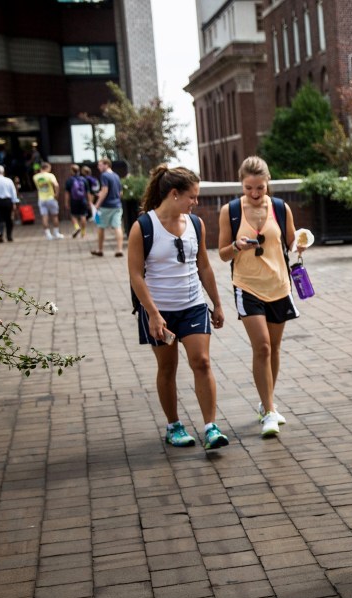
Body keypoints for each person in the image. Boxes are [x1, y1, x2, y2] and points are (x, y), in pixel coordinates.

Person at [127, 164, 229, 451]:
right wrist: (153, 314)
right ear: (174, 194)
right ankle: (173, 425)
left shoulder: (195, 224)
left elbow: (204, 266)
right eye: (192, 197)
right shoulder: (143, 227)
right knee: (168, 367)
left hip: (193, 305)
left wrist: (217, 303)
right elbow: (135, 274)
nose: (196, 202)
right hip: (160, 311)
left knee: (202, 362)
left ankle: (210, 427)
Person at [217, 156, 301, 439]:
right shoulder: (230, 210)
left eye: (260, 188)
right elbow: (221, 254)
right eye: (249, 188)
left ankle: (267, 401)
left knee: (274, 348)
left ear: (268, 184)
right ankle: (269, 410)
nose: (254, 194)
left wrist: (302, 241)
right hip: (247, 286)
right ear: (242, 184)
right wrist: (236, 246)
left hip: (278, 285)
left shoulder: (280, 208)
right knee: (262, 347)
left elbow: (291, 242)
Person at [92, 157, 125, 257]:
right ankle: (119, 250)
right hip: (117, 205)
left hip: (106, 206)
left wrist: (97, 204)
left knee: (101, 227)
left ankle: (100, 250)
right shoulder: (116, 176)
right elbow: (120, 193)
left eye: (100, 164)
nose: (98, 167)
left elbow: (105, 191)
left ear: (106, 165)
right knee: (117, 227)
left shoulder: (104, 175)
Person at [33, 162, 63, 240]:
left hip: (41, 199)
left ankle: (48, 235)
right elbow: (56, 185)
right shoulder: (50, 175)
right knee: (55, 216)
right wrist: (56, 194)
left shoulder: (35, 177)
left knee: (44, 217)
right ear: (47, 168)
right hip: (50, 198)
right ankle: (56, 233)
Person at [64, 164, 91, 238]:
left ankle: (76, 227)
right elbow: (88, 192)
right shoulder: (84, 179)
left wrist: (66, 202)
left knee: (73, 215)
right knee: (83, 215)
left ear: (72, 171)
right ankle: (83, 232)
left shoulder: (69, 180)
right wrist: (89, 202)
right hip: (83, 200)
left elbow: (67, 193)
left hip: (74, 201)